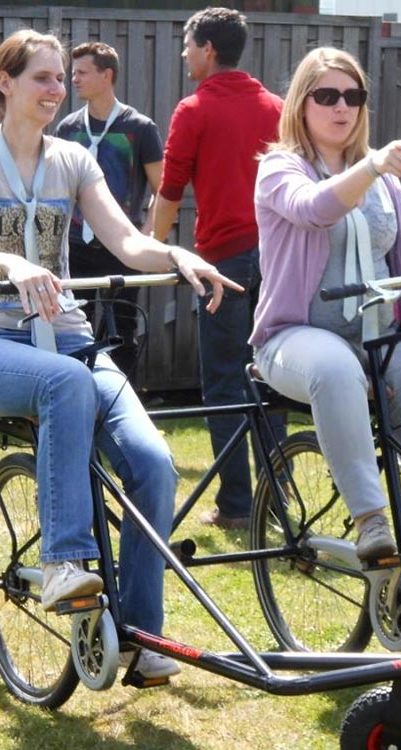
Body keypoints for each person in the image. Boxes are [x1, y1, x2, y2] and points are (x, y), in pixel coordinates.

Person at [0, 29, 242, 679]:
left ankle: (138, 638)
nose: (57, 89)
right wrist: (12, 262)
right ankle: (63, 561)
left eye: (61, 77)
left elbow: (129, 243)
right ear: (5, 82)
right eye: (43, 78)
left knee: (155, 466)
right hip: (6, 344)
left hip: (67, 337)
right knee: (64, 384)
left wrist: (177, 254)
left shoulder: (72, 160)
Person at [249, 46, 401, 649]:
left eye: (353, 96)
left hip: (382, 336)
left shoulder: (381, 179)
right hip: (293, 337)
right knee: (336, 370)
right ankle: (371, 525)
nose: (341, 107)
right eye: (326, 96)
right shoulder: (280, 167)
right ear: (301, 103)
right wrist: (371, 167)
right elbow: (314, 209)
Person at [153, 7, 284, 530]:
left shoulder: (194, 108)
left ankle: (236, 507)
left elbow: (170, 190)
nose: (184, 54)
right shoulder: (276, 106)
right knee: (271, 377)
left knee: (226, 381)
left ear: (208, 49)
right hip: (278, 260)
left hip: (223, 263)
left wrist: (150, 247)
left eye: (188, 45)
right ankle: (277, 502)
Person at [54, 42, 163, 377]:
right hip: (76, 247)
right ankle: (81, 392)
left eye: (82, 72)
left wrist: (147, 235)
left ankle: (122, 396)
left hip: (121, 248)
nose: (74, 79)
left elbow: (162, 188)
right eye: (73, 73)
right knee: (74, 328)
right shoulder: (68, 128)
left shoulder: (140, 128)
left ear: (107, 75)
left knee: (124, 330)